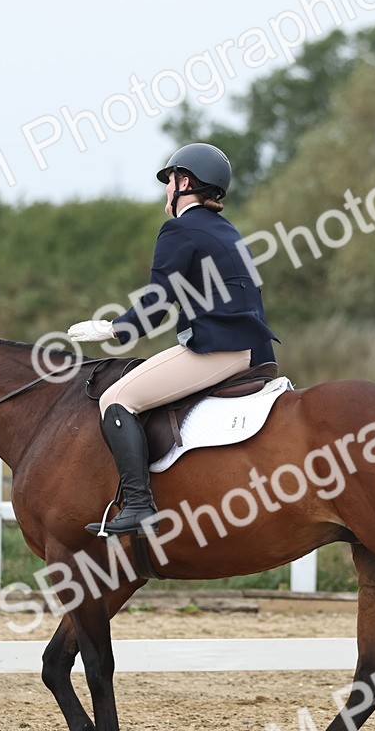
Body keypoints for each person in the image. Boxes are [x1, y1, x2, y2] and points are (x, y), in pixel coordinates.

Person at [67, 142, 278, 536]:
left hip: (220, 350)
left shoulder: (180, 229)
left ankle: (139, 506)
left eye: (170, 181)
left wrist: (114, 329)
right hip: (253, 350)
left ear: (184, 182)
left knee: (116, 398)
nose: (167, 190)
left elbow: (156, 303)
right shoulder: (226, 231)